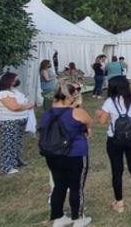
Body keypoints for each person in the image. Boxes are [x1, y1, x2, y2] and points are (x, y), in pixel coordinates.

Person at [95, 76, 131, 216]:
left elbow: (102, 122)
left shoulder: (109, 102)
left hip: (114, 140)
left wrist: (99, 114)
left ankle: (119, 203)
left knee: (117, 170)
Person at [42, 81, 93, 227]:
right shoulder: (76, 112)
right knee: (76, 187)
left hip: (53, 155)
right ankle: (78, 218)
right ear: (69, 97)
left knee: (59, 186)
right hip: (75, 154)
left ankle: (58, 218)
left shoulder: (48, 114)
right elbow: (89, 123)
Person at [0, 73, 34, 174]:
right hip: (8, 122)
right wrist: (27, 106)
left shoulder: (16, 92)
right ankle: (6, 167)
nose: (17, 81)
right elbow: (14, 107)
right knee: (8, 144)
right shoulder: (3, 94)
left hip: (19, 121)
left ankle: (15, 161)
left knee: (17, 143)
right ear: (8, 80)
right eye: (15, 79)